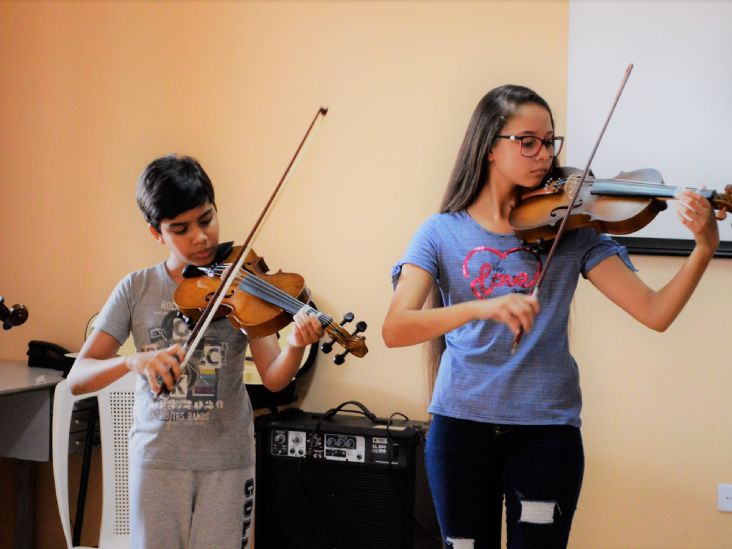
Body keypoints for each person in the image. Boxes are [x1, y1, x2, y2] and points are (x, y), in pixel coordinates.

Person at [381, 85, 721, 548]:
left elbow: (655, 312)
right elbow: (396, 328)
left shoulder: (572, 228)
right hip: (460, 432)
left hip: (545, 435)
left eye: (550, 141)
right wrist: (484, 306)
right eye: (528, 141)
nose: (544, 155)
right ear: (488, 148)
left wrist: (704, 248)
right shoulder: (441, 232)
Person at [67, 154, 323, 549]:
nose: (200, 237)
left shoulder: (242, 279)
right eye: (180, 229)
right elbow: (77, 378)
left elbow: (274, 378)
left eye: (206, 220)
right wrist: (133, 361)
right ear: (157, 233)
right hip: (156, 462)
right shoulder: (136, 289)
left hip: (228, 460)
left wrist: (293, 347)